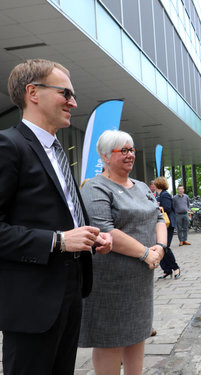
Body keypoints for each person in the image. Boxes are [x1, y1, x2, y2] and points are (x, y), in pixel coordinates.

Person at [0, 59, 112, 375]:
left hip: (71, 289)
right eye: (65, 93)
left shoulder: (58, 150)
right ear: (33, 92)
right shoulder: (8, 145)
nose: (73, 102)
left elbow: (59, 214)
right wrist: (59, 241)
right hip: (32, 303)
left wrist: (89, 235)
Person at [78, 129, 167, 375]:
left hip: (140, 280)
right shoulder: (95, 188)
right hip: (110, 282)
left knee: (137, 334)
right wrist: (145, 254)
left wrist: (160, 247)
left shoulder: (141, 186)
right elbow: (105, 231)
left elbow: (159, 217)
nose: (130, 155)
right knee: (111, 339)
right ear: (105, 156)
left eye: (132, 150)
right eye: (123, 151)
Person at [154, 176, 181, 279]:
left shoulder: (165, 195)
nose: (153, 186)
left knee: (165, 247)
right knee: (160, 247)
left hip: (167, 225)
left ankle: (175, 268)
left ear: (158, 185)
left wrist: (158, 207)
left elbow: (167, 209)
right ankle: (166, 270)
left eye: (155, 184)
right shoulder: (158, 195)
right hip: (161, 225)